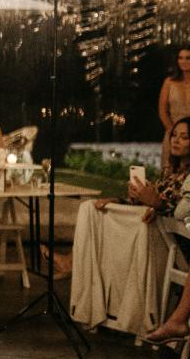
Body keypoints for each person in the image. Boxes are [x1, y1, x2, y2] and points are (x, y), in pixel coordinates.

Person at [66, 118, 190, 335]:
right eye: (174, 135)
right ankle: (104, 303)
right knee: (96, 212)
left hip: (172, 247)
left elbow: (178, 212)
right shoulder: (170, 173)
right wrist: (119, 199)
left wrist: (156, 204)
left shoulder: (187, 178)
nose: (177, 140)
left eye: (185, 137)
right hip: (159, 239)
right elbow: (154, 203)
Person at [158, 45, 190, 168]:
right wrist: (172, 131)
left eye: (188, 58)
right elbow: (162, 110)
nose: (184, 61)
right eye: (180, 58)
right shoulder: (169, 82)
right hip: (174, 133)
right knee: (170, 170)